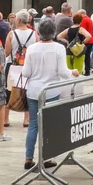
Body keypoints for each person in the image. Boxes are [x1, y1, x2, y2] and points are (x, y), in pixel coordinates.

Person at [20, 18, 79, 171]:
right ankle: (46, 156)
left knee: (33, 124)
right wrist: (72, 72)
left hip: (34, 90)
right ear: (54, 32)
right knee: (49, 124)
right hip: (51, 90)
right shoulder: (58, 48)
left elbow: (25, 72)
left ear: (39, 32)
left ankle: (28, 158)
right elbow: (63, 72)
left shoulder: (32, 48)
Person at [6, 10, 35, 129]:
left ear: (18, 20)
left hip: (14, 65)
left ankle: (6, 118)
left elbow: (7, 52)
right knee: (27, 90)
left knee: (9, 91)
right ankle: (26, 119)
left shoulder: (11, 34)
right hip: (29, 66)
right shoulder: (34, 34)